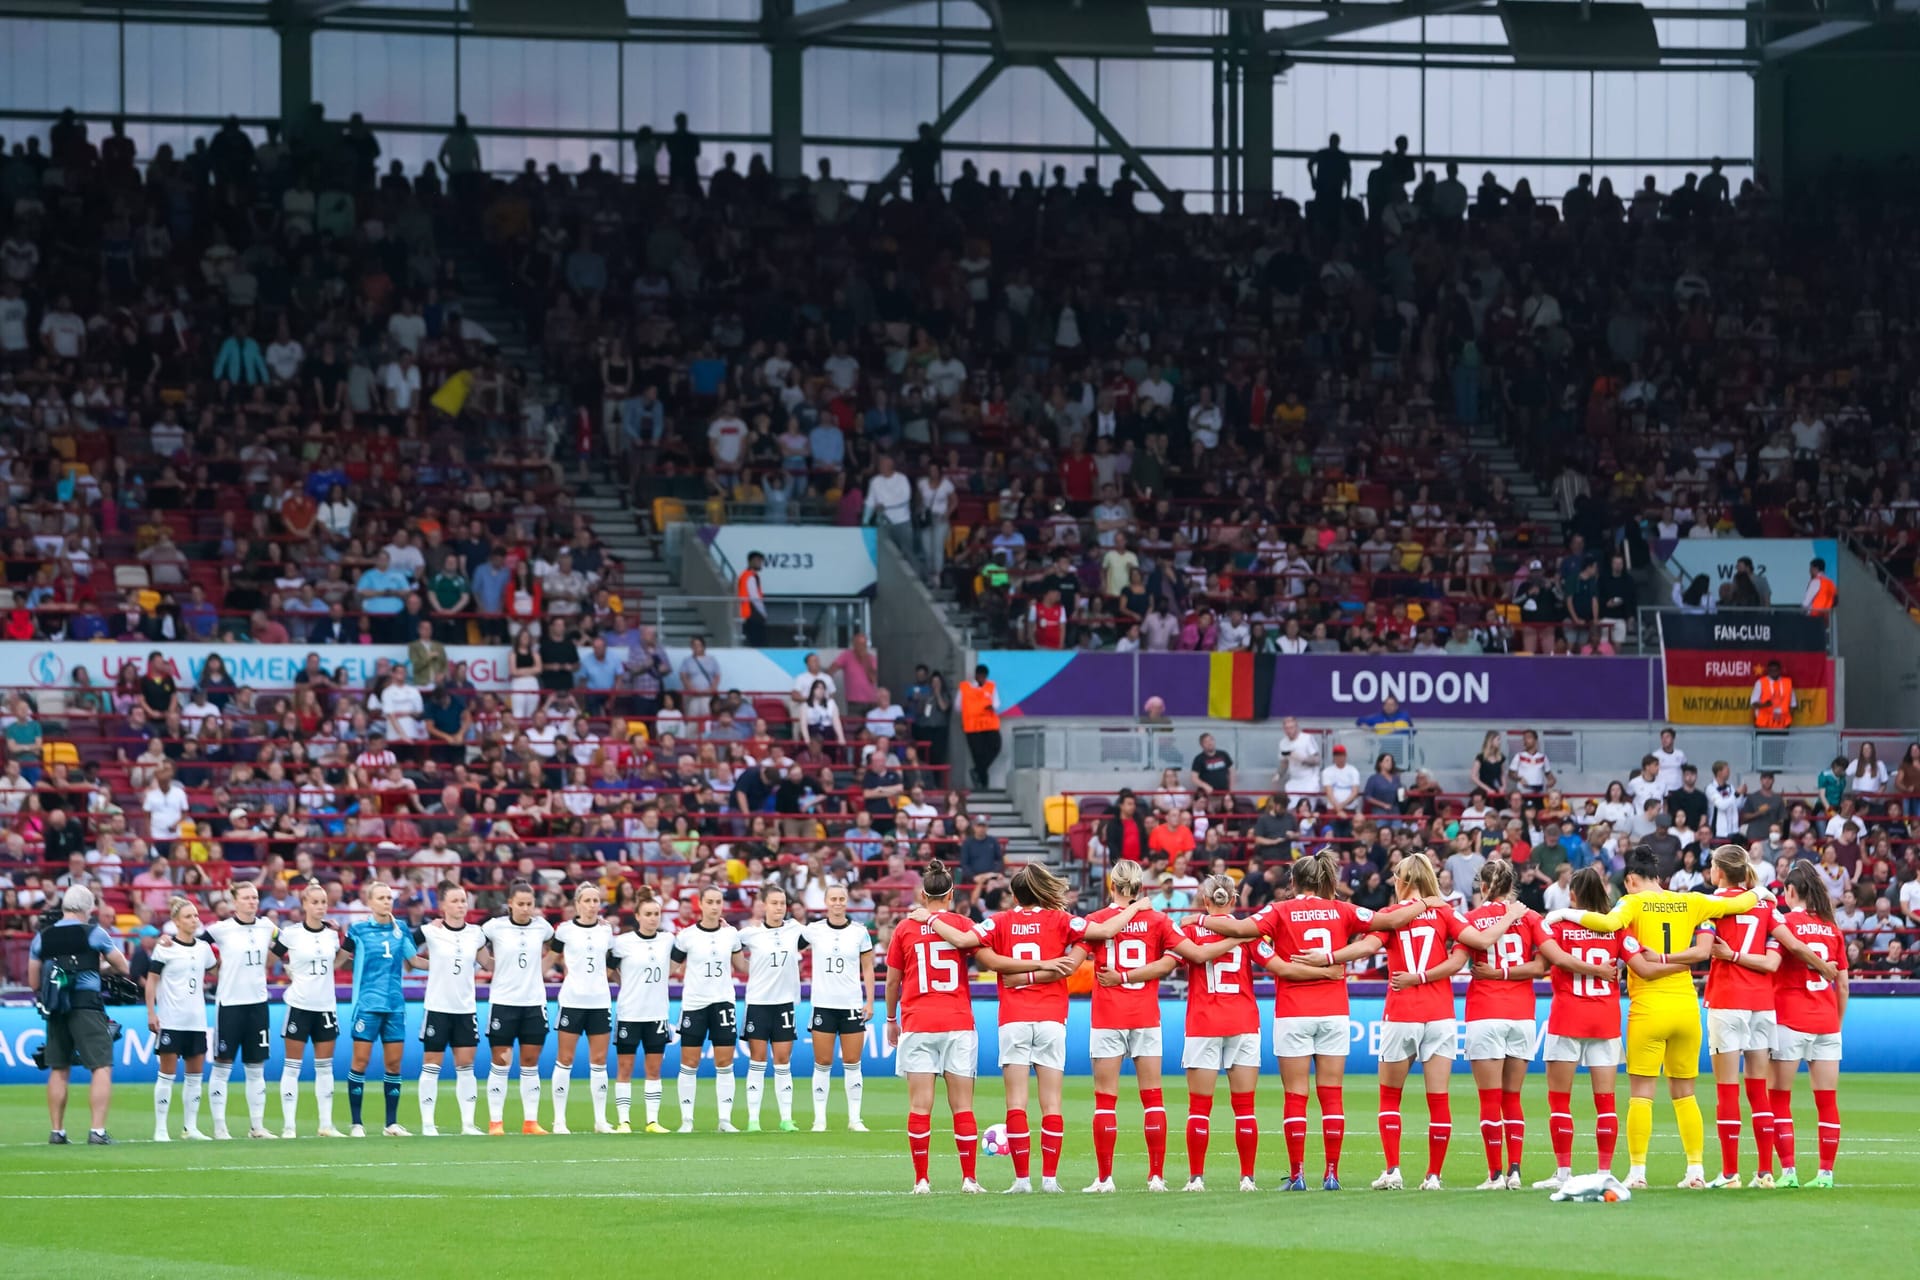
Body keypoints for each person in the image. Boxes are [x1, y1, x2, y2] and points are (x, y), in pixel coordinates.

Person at [1544, 844, 1766, 1189]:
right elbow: (1741, 902)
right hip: (1685, 1007)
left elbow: (1606, 922)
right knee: (1686, 1095)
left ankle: (1637, 1172)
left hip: (1648, 1008)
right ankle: (1695, 1170)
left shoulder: (1632, 903)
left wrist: (1563, 915)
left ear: (1631, 879)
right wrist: (1763, 890)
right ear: (1659, 877)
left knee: (1641, 1095)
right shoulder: (1691, 900)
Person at [914, 864, 1122, 1193]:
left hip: (1013, 1018)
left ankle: (1022, 1180)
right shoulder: (1061, 920)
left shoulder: (998, 921)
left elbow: (966, 941)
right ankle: (1050, 1180)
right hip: (1052, 1018)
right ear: (1043, 891)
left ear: (1013, 895)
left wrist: (928, 917)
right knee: (1052, 1102)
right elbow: (1103, 931)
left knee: (1016, 1103)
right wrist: (1137, 906)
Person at [1198, 850, 1382, 1190]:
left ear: (1292, 881)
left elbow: (1239, 927)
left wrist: (1201, 920)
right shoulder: (1342, 909)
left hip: (1294, 1011)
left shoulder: (1279, 909)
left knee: (1296, 1094)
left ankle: (1297, 1175)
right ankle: (1331, 1173)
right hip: (1334, 1010)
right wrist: (1336, 959)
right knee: (1332, 1095)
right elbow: (1380, 928)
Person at [1364, 853, 1528, 1190]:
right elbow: (1477, 944)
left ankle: (1393, 1169)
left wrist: (1332, 958)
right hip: (1440, 1015)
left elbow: (1366, 943)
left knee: (1389, 1096)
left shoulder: (1390, 915)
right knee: (1438, 1098)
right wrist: (1511, 913)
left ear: (1404, 880)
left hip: (1401, 1013)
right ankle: (1434, 1176)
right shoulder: (1445, 912)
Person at [1080, 860, 1190, 1192]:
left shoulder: (1097, 920)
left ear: (1111, 885)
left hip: (1108, 1016)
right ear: (1142, 886)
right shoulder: (1158, 920)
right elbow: (1177, 958)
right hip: (1145, 1015)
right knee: (1153, 1098)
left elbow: (1078, 954)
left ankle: (1104, 1179)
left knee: (1105, 1100)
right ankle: (1156, 1176)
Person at [1533, 866, 1640, 1188]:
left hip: (1567, 1015)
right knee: (1605, 1100)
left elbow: (1550, 963)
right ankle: (1605, 1172)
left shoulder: (1559, 925)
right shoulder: (1618, 929)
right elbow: (1641, 964)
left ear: (1574, 895)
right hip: (1604, 1019)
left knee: (1559, 1100)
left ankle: (1563, 1173)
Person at [886, 858, 989, 1194]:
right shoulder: (961, 923)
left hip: (919, 1021)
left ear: (921, 893)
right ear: (951, 894)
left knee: (920, 1106)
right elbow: (979, 951)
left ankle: (921, 1180)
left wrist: (891, 1019)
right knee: (962, 1106)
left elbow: (892, 982)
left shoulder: (904, 928)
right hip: (957, 1021)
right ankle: (969, 1179)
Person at [1457, 860, 1550, 1190]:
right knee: (1513, 1097)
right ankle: (1514, 1171)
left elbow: (1457, 959)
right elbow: (1542, 966)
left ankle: (1495, 1173)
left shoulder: (1470, 920)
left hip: (1485, 1012)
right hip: (1522, 1014)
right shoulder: (1530, 917)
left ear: (1482, 886)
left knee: (1489, 1099)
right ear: (1512, 886)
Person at [1700, 845, 1782, 1188]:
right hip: (1762, 1004)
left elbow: (1704, 950)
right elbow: (1776, 958)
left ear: (1719, 871)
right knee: (1759, 1091)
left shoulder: (1712, 905)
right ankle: (1765, 1172)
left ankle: (1730, 1173)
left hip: (1727, 1000)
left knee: (1727, 1091)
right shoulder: (1766, 904)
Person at [1768, 864, 1849, 1188]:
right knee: (1827, 1100)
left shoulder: (1784, 923)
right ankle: (1825, 1174)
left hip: (1789, 1019)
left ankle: (1788, 1172)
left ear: (1789, 892)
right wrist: (1836, 1023)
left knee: (1779, 1098)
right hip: (1826, 1023)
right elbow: (1842, 985)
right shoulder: (1832, 927)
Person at [31, 885, 130, 1145]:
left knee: (59, 1067)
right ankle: (97, 1130)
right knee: (100, 1066)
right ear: (88, 908)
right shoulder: (94, 933)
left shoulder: (43, 936)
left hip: (55, 1007)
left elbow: (33, 981)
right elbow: (123, 966)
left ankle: (57, 1131)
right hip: (86, 1005)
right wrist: (100, 970)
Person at [341, 881, 419, 1138]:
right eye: (382, 898)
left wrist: (450, 960)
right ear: (370, 902)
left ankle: (391, 1124)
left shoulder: (401, 929)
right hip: (367, 1004)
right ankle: (356, 1123)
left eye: (389, 897)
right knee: (360, 1062)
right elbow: (340, 960)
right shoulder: (358, 931)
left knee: (394, 1064)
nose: (387, 902)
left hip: (395, 1006)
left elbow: (414, 961)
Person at [203, 879, 279, 1140]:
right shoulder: (221, 930)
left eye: (255, 897)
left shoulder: (266, 926)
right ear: (234, 901)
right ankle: (220, 1127)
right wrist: (213, 966)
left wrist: (271, 961)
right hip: (230, 1004)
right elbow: (196, 945)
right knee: (223, 1064)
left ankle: (257, 1127)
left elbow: (284, 942)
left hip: (258, 1003)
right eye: (246, 898)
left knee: (256, 1065)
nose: (252, 902)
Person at [412, 880, 487, 1136]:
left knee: (466, 1065)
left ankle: (468, 1123)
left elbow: (488, 963)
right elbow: (406, 949)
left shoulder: (476, 933)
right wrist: (425, 965)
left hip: (465, 1009)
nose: (460, 905)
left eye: (463, 900)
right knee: (431, 1064)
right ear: (442, 905)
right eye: (454, 901)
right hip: (438, 1008)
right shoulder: (430, 931)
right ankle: (428, 1124)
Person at [481, 880, 556, 1135]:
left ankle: (530, 1122)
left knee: (530, 1062)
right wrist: (489, 965)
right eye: (521, 904)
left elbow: (563, 943)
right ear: (510, 903)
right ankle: (495, 1122)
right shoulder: (494, 927)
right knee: (501, 1062)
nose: (526, 909)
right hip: (503, 1003)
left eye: (530, 904)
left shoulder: (542, 928)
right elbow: (469, 939)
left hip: (534, 1003)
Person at [272, 881, 344, 1139]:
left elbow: (338, 961)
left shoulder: (332, 934)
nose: (320, 907)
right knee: (292, 1066)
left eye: (323, 902)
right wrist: (288, 971)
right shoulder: (291, 933)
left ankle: (326, 1124)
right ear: (303, 904)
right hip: (299, 1005)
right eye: (314, 902)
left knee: (325, 1067)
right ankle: (289, 1126)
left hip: (325, 1006)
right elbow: (271, 958)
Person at [803, 882, 876, 1132]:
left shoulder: (859, 932)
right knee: (822, 1062)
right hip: (823, 1004)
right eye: (833, 898)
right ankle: (819, 1120)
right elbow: (787, 941)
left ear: (846, 902)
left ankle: (855, 1119)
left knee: (853, 1062)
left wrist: (869, 1001)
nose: (837, 903)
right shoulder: (813, 930)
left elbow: (868, 967)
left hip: (851, 1005)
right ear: (826, 902)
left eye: (841, 898)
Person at [672, 885, 743, 1132]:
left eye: (718, 902)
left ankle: (724, 1120)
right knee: (689, 1062)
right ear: (700, 904)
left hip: (723, 1002)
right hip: (694, 1004)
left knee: (724, 1063)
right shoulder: (686, 936)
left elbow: (742, 965)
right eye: (710, 902)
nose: (714, 907)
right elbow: (671, 968)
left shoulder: (731, 934)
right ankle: (687, 1120)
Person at [146, 896, 217, 1142]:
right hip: (171, 1020)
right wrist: (151, 1013)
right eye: (188, 916)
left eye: (196, 915)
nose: (194, 920)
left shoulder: (203, 949)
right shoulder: (165, 947)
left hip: (196, 1020)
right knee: (166, 1075)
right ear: (176, 921)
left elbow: (215, 968)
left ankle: (190, 1127)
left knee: (195, 1076)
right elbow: (151, 981)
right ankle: (161, 1128)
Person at [547, 882, 615, 1135]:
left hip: (599, 1002)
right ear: (577, 904)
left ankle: (600, 1120)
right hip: (572, 1001)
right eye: (586, 900)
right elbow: (550, 959)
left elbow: (611, 965)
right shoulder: (564, 931)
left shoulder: (607, 932)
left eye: (595, 900)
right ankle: (559, 1121)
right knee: (565, 1059)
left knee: (599, 1062)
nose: (591, 905)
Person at [737, 885, 804, 1132]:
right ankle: (753, 1119)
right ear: (763, 905)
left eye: (782, 902)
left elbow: (820, 937)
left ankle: (786, 1118)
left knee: (783, 1060)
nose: (779, 907)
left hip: (784, 1004)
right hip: (758, 1004)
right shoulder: (749, 934)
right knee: (757, 1060)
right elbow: (728, 947)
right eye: (774, 903)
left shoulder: (795, 929)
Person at [610, 887, 676, 1133]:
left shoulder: (667, 940)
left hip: (657, 1014)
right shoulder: (623, 943)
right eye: (648, 913)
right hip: (630, 1013)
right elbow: (608, 970)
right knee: (625, 1067)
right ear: (637, 916)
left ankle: (652, 1121)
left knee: (654, 1068)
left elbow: (683, 956)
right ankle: (624, 1121)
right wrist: (624, 983)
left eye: (656, 913)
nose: (652, 918)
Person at [958, 664, 1002, 789]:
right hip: (972, 727)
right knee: (978, 755)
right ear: (976, 675)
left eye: (984, 677)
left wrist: (991, 707)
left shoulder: (991, 686)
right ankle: (983, 784)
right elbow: (958, 706)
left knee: (996, 746)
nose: (983, 679)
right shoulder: (965, 687)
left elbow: (997, 703)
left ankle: (977, 770)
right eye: (981, 676)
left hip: (989, 725)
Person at [736, 550, 768, 646]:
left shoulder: (746, 575)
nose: (760, 563)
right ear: (751, 561)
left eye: (761, 561)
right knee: (758, 642)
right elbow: (755, 597)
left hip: (748, 613)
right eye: (758, 561)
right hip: (752, 614)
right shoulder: (750, 576)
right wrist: (763, 613)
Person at [1751, 659, 1793, 731]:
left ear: (1780, 670)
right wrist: (1764, 705)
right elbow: (1753, 703)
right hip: (1763, 725)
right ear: (1768, 671)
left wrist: (1787, 721)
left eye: (1776, 670)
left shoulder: (1787, 683)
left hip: (1783, 726)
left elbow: (1793, 705)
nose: (1774, 672)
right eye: (1771, 670)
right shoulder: (1760, 682)